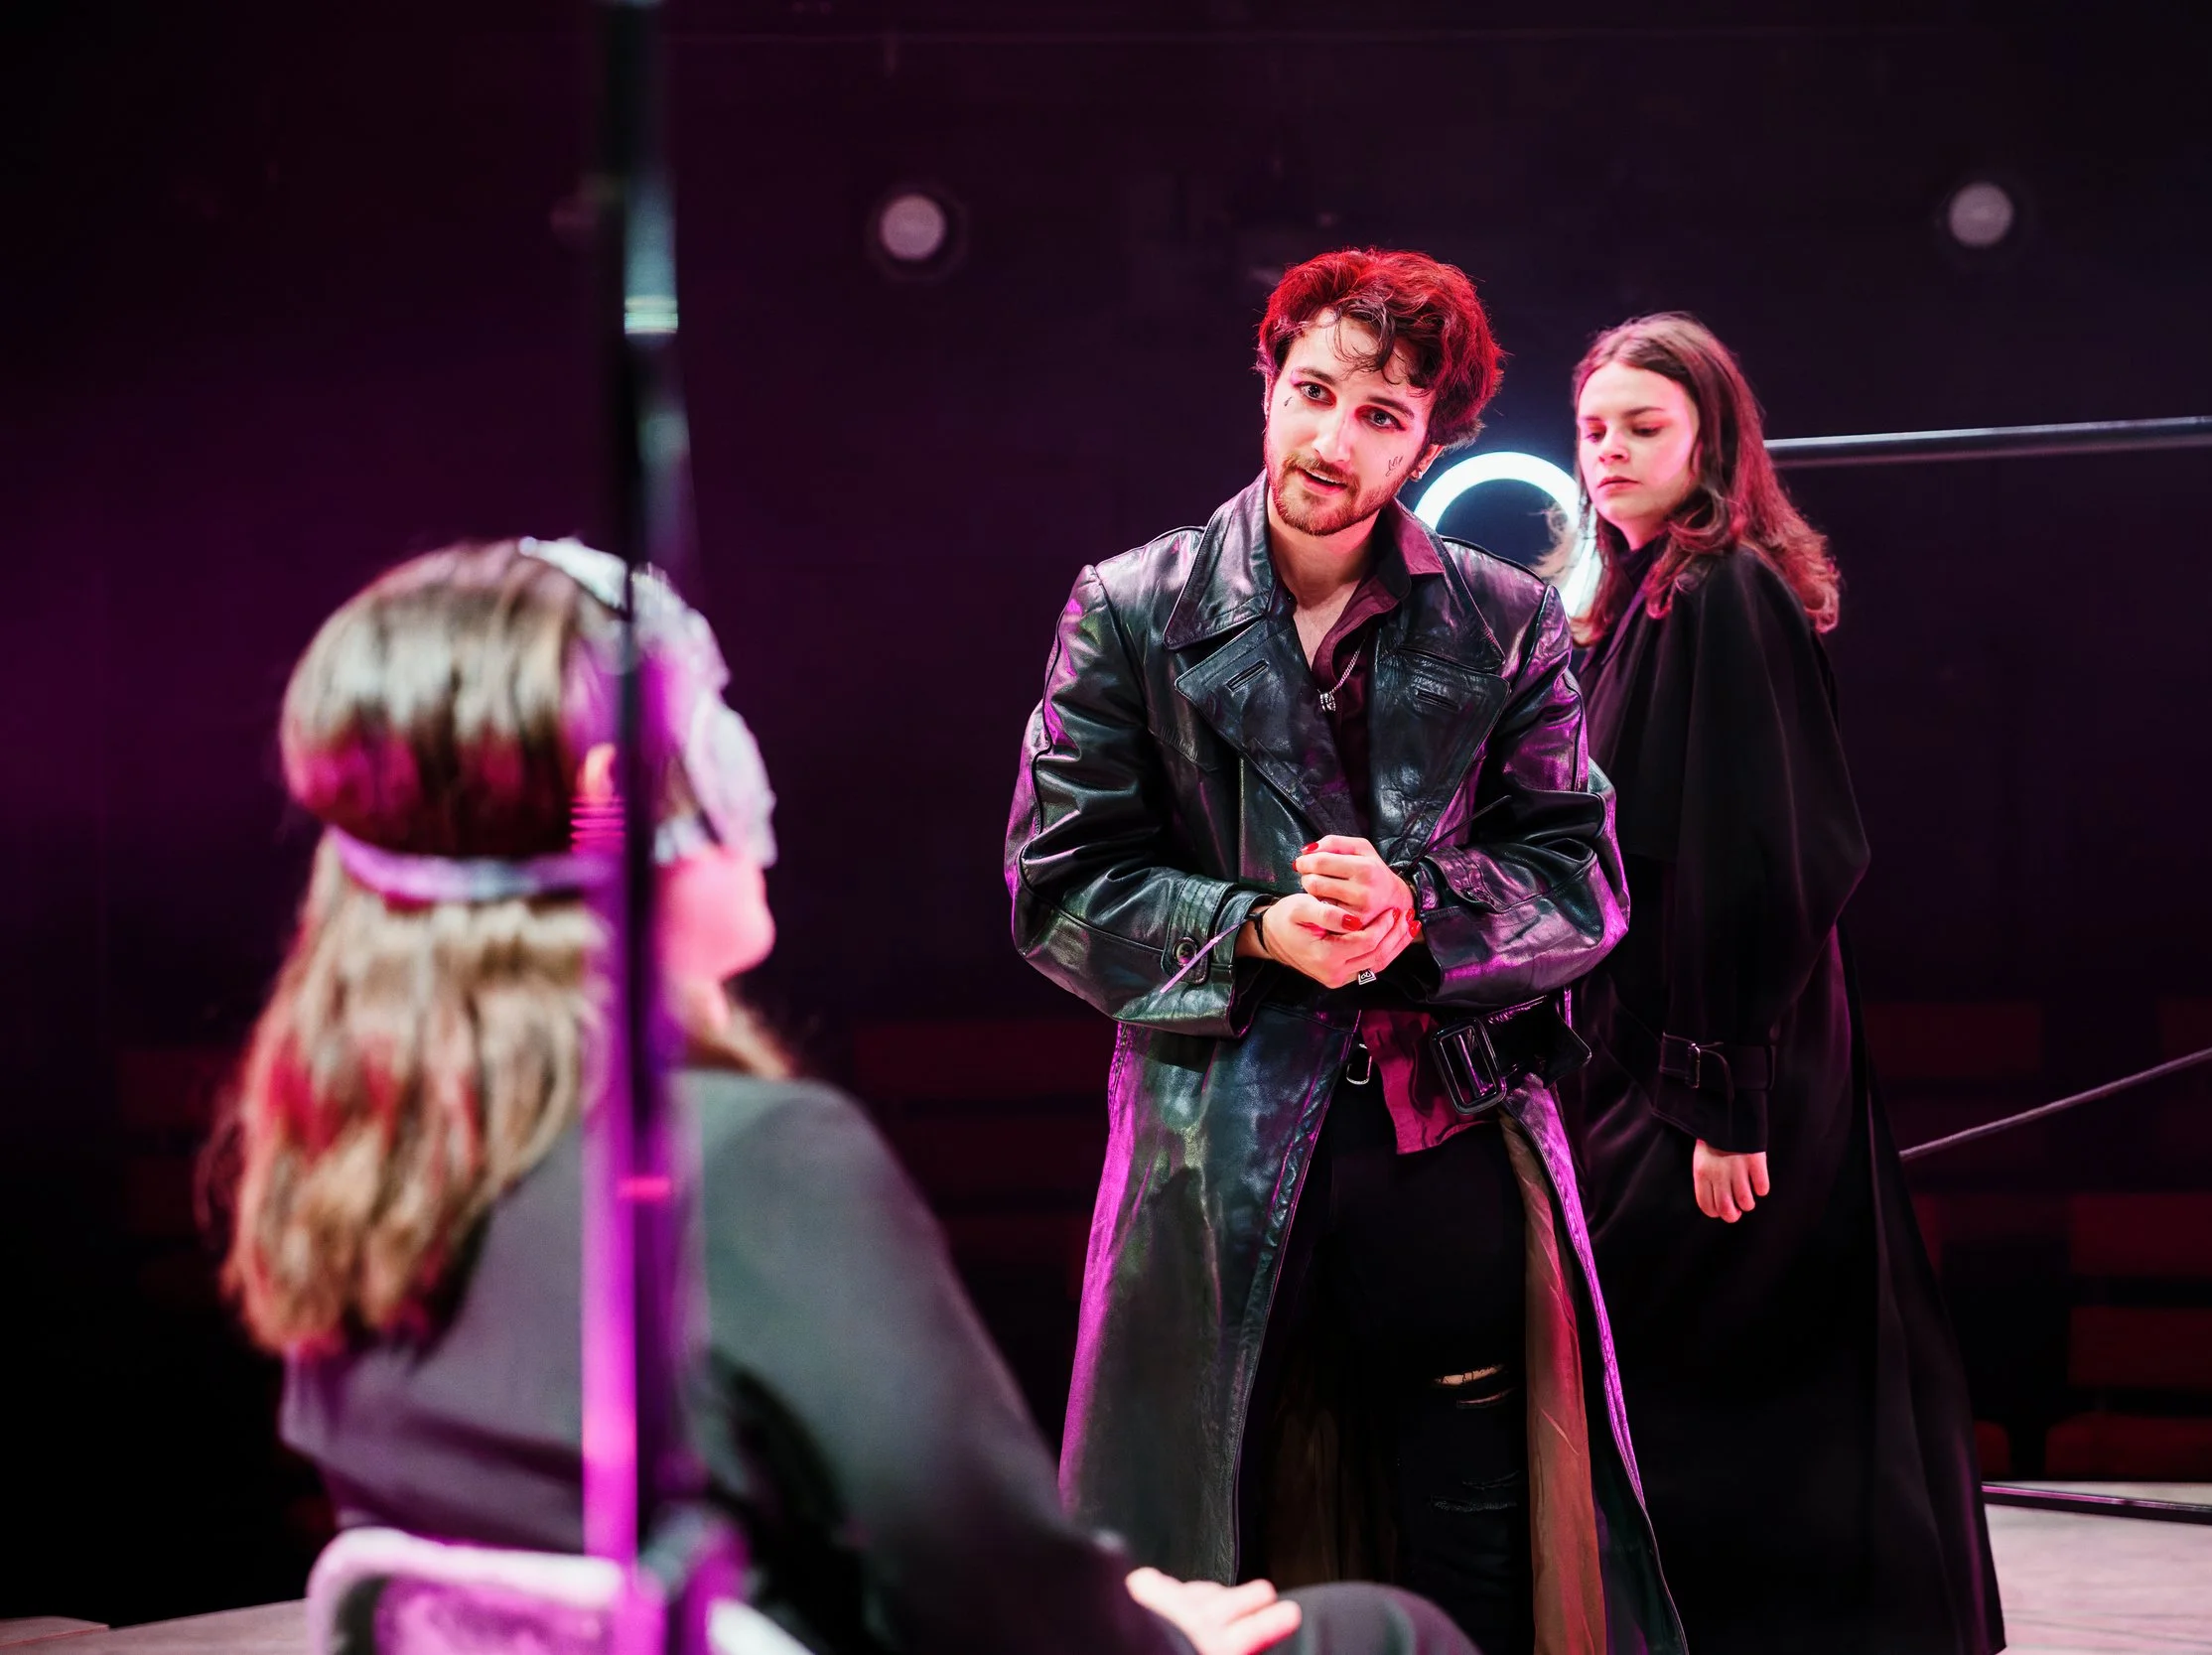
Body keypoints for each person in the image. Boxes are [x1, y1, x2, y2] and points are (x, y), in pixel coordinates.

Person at [219, 537, 1480, 1655]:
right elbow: (994, 1587)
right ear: (614, 797)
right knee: (1385, 1628)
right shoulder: (754, 1162)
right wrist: (1152, 1620)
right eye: (708, 720)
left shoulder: (350, 1164)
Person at [1005, 250, 1684, 1655]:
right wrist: (1254, 926)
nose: (1333, 439)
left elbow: (1582, 873)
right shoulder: (1131, 605)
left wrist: (1418, 910)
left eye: (1383, 416)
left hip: (1444, 1132)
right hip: (1215, 1144)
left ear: (1434, 439)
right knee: (1211, 1533)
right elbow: (1057, 885)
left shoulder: (1502, 617)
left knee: (1482, 1534)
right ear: (1267, 384)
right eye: (1312, 393)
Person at [1558, 315, 2005, 1654]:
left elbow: (1775, 853)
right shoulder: (1644, 599)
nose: (1612, 452)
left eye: (1643, 426)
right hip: (1668, 1051)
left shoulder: (1725, 589)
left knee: (1721, 1380)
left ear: (1710, 440)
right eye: (1594, 429)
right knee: (1717, 1382)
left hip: (1717, 1061)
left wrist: (1724, 1094)